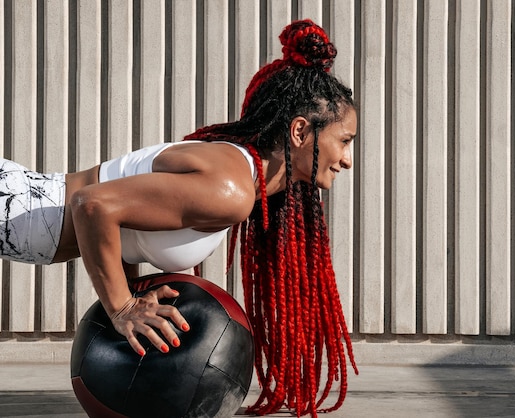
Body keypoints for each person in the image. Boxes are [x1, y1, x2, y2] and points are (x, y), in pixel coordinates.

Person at [1, 19, 357, 416]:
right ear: (299, 131)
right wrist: (122, 308)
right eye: (344, 141)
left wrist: (130, 292)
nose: (347, 159)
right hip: (16, 208)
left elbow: (118, 222)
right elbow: (92, 206)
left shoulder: (236, 174)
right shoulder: (231, 190)